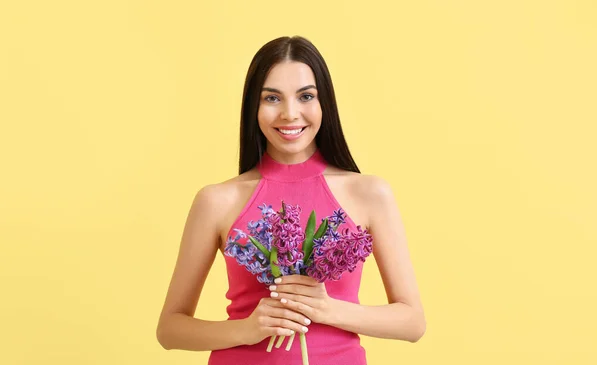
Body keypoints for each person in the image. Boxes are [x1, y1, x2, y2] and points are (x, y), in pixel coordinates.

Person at [156, 35, 426, 364]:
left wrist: (326, 309)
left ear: (323, 102)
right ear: (253, 106)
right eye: (272, 98)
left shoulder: (369, 193)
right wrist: (247, 329)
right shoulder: (217, 200)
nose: (289, 113)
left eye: (305, 96)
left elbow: (412, 322)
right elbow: (170, 329)